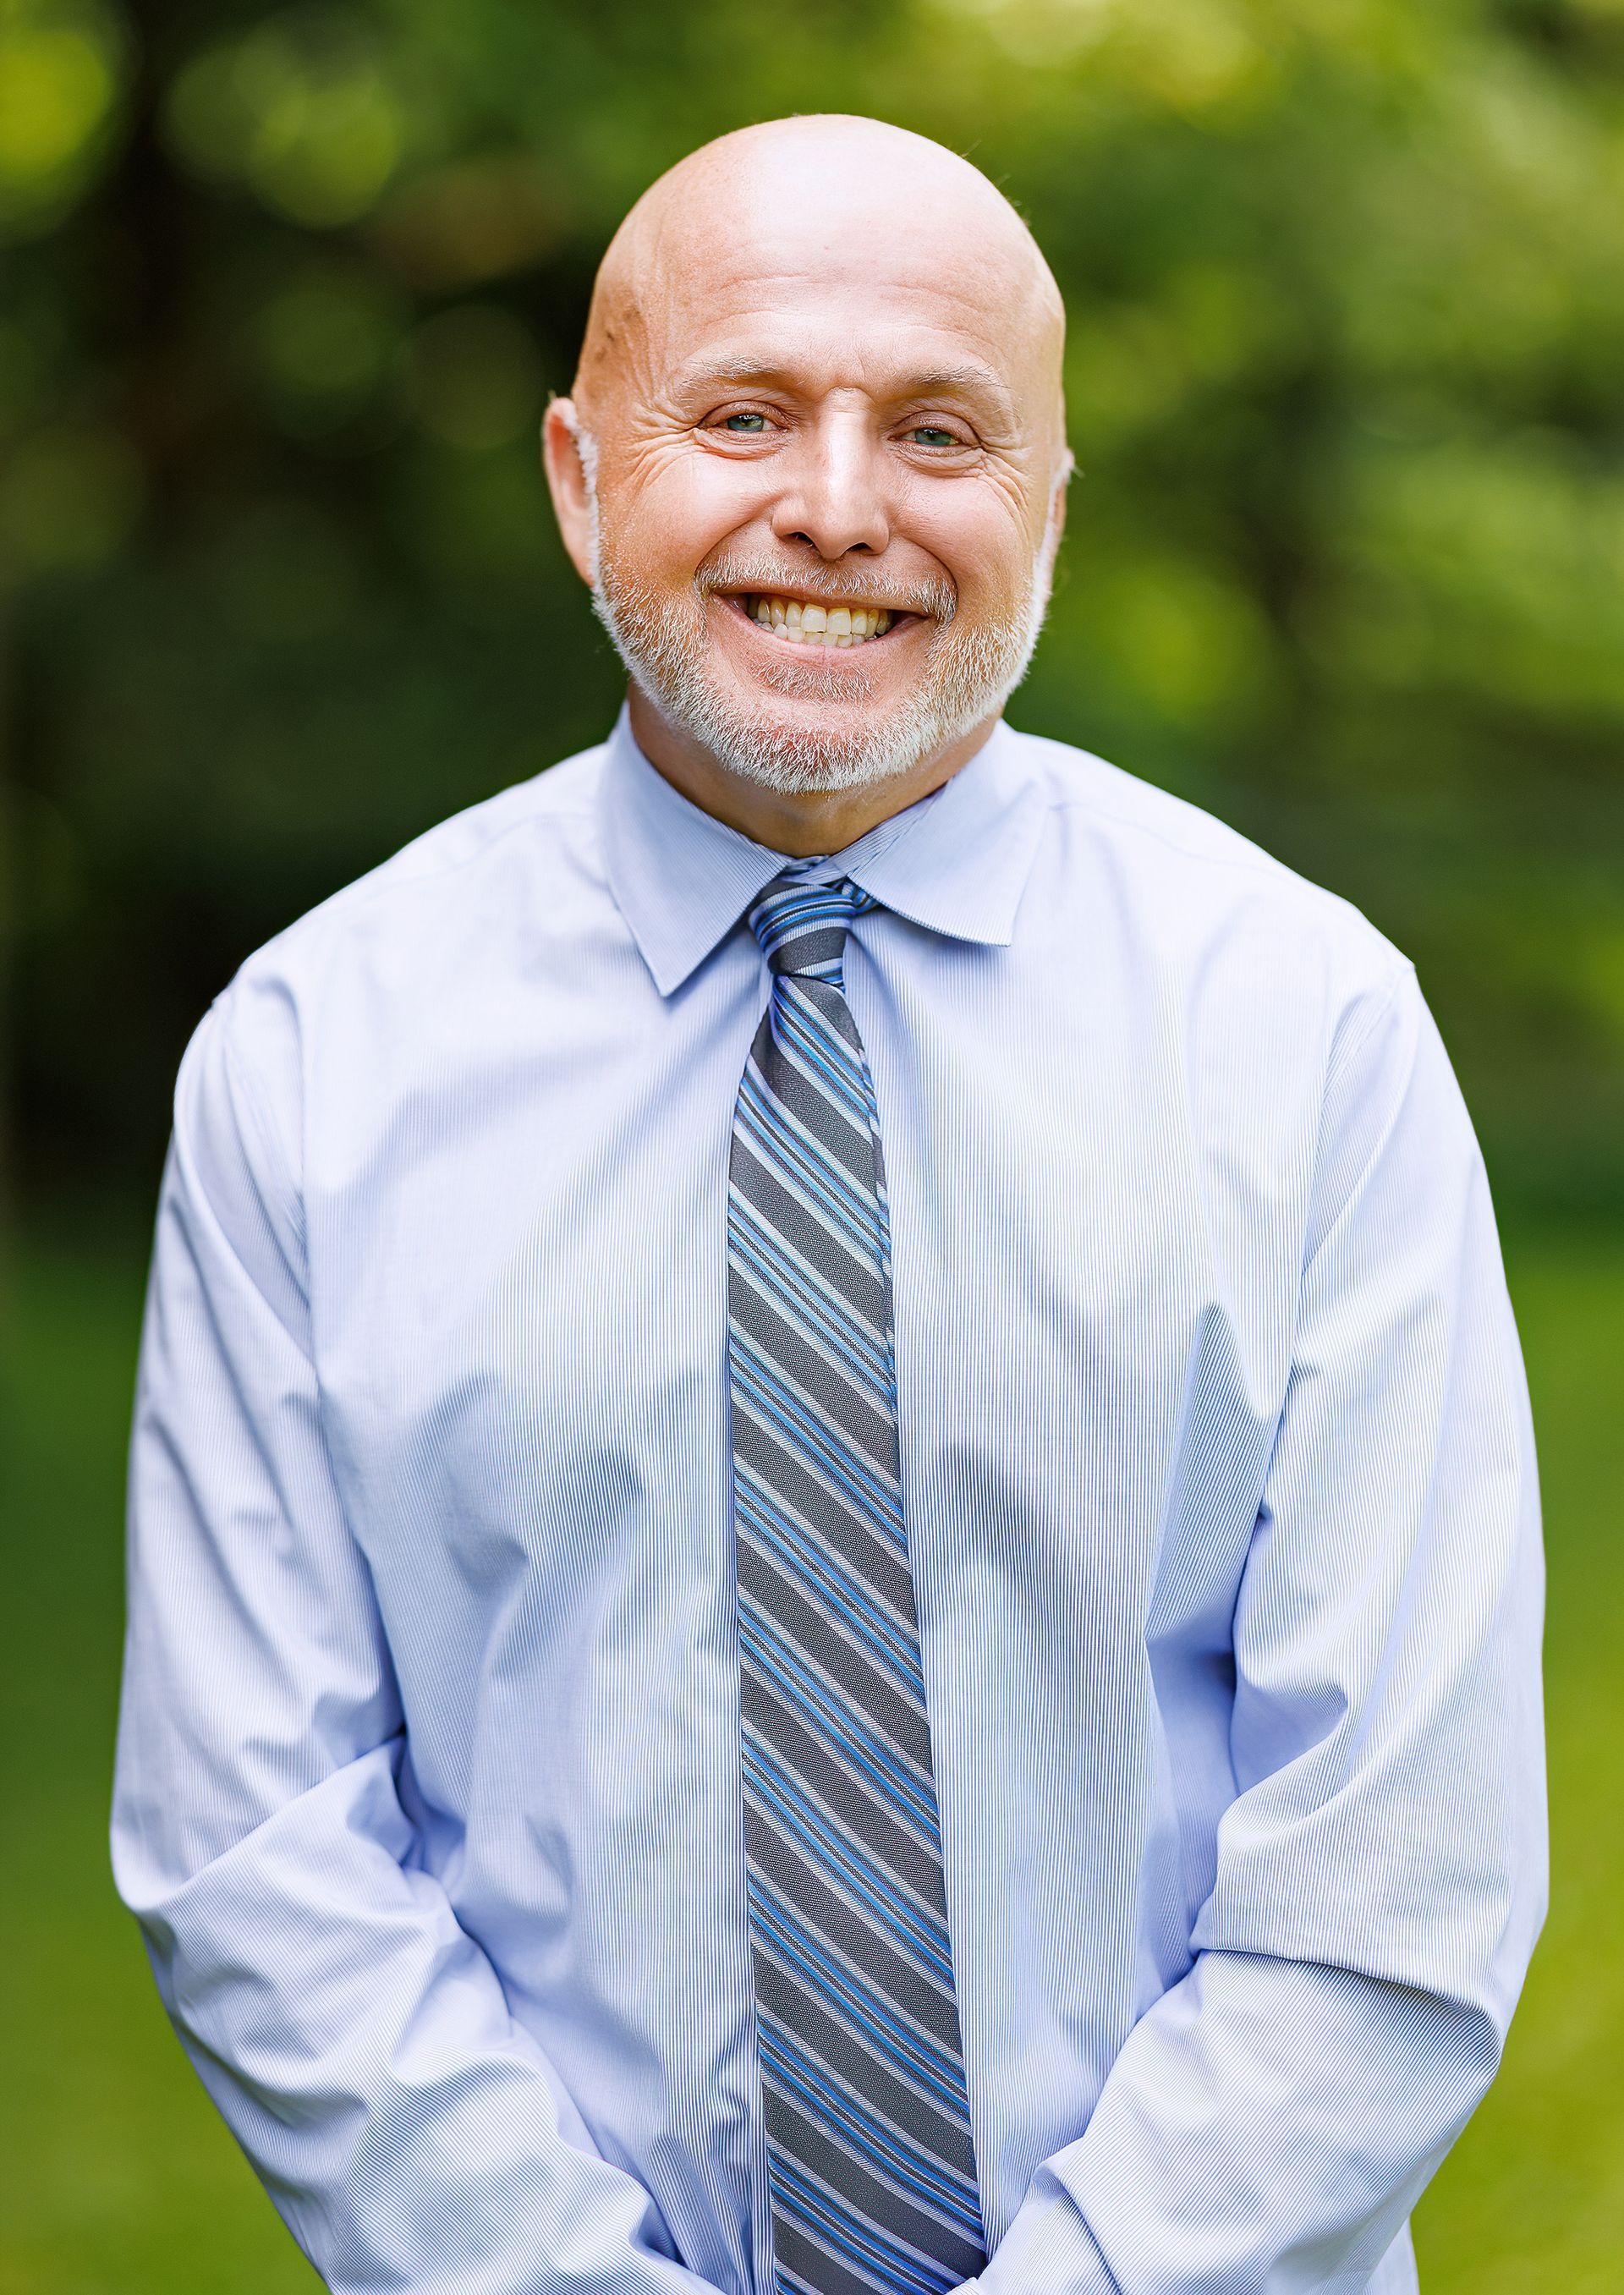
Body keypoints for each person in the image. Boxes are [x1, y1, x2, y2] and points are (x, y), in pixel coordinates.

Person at [112, 114, 1545, 2295]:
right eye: (746, 414)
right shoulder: (313, 1061)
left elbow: (1399, 1867)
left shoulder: (1309, 1031)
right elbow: (260, 1852)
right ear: (582, 476)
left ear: (1047, 507)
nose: (843, 506)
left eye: (942, 432)